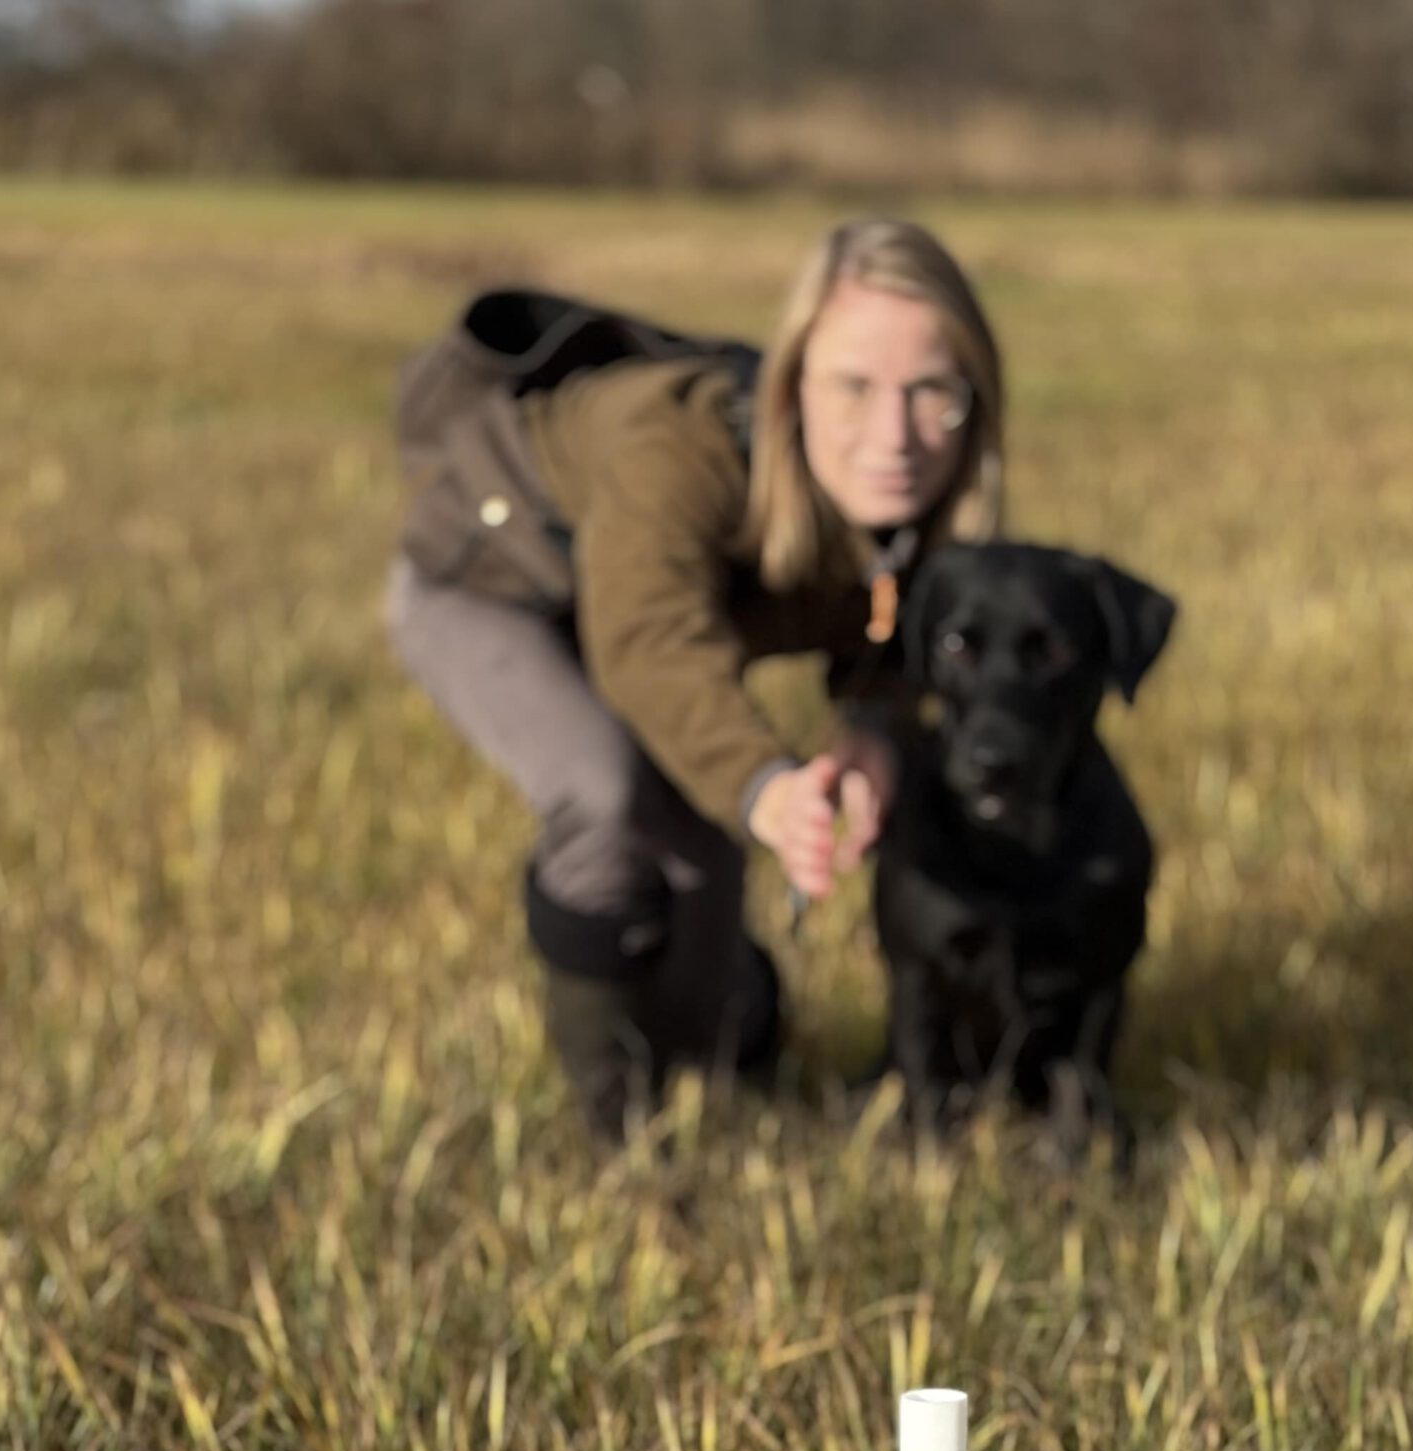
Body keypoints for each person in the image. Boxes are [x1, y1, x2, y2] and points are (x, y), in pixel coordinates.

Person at [385, 217, 1005, 1142]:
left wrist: (871, 734)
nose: (895, 435)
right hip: (492, 593)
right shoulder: (677, 443)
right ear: (794, 384)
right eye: (852, 388)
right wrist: (766, 788)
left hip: (658, 633)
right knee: (608, 801)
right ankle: (610, 1131)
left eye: (933, 395)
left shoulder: (910, 510)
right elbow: (649, 643)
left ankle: (725, 1049)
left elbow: (884, 635)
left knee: (702, 946)